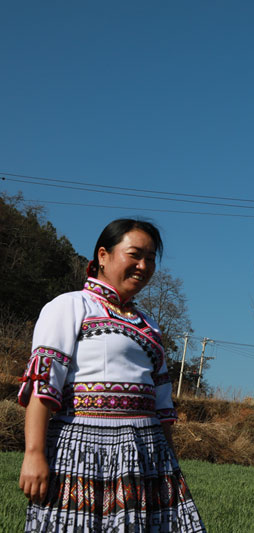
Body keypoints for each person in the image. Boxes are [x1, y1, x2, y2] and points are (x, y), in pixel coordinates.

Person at [17, 219, 205, 532]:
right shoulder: (70, 306)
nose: (143, 266)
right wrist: (34, 454)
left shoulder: (150, 325)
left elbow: (162, 408)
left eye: (151, 258)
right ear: (103, 255)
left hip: (146, 455)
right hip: (84, 452)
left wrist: (169, 467)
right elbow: (43, 384)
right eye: (134, 254)